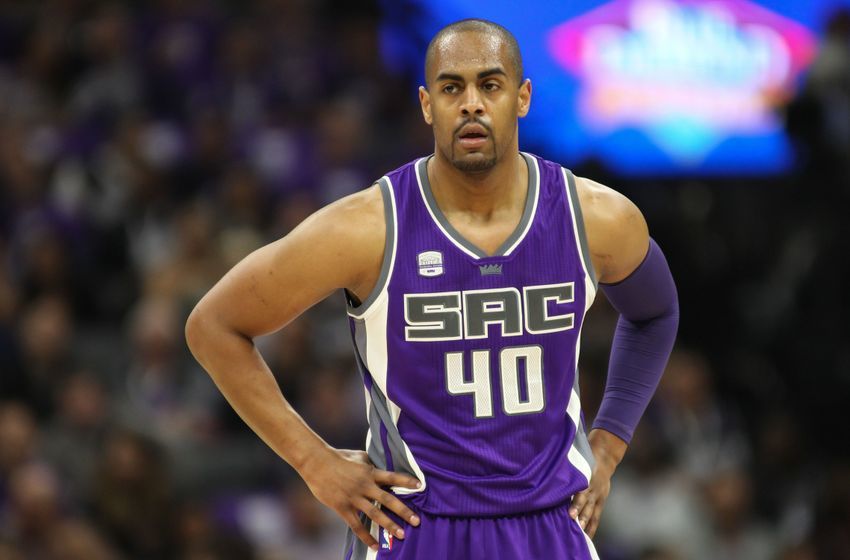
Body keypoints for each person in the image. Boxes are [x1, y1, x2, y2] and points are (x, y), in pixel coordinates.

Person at [185, 18, 679, 560]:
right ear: (426, 105)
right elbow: (214, 325)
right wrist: (313, 462)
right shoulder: (367, 227)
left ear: (522, 97)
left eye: (490, 85)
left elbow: (655, 313)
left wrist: (608, 444)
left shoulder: (596, 218)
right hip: (415, 527)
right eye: (451, 88)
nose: (471, 104)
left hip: (550, 526)